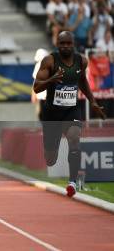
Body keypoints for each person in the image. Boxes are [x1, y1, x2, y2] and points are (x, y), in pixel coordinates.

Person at [33, 31, 106, 197]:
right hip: (51, 113)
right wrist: (50, 80)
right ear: (57, 45)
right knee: (50, 159)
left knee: (74, 137)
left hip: (71, 110)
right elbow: (36, 87)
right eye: (62, 43)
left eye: (68, 43)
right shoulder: (50, 61)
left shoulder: (82, 61)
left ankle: (72, 182)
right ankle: (52, 148)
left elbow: (82, 80)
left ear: (73, 44)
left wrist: (92, 101)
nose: (65, 46)